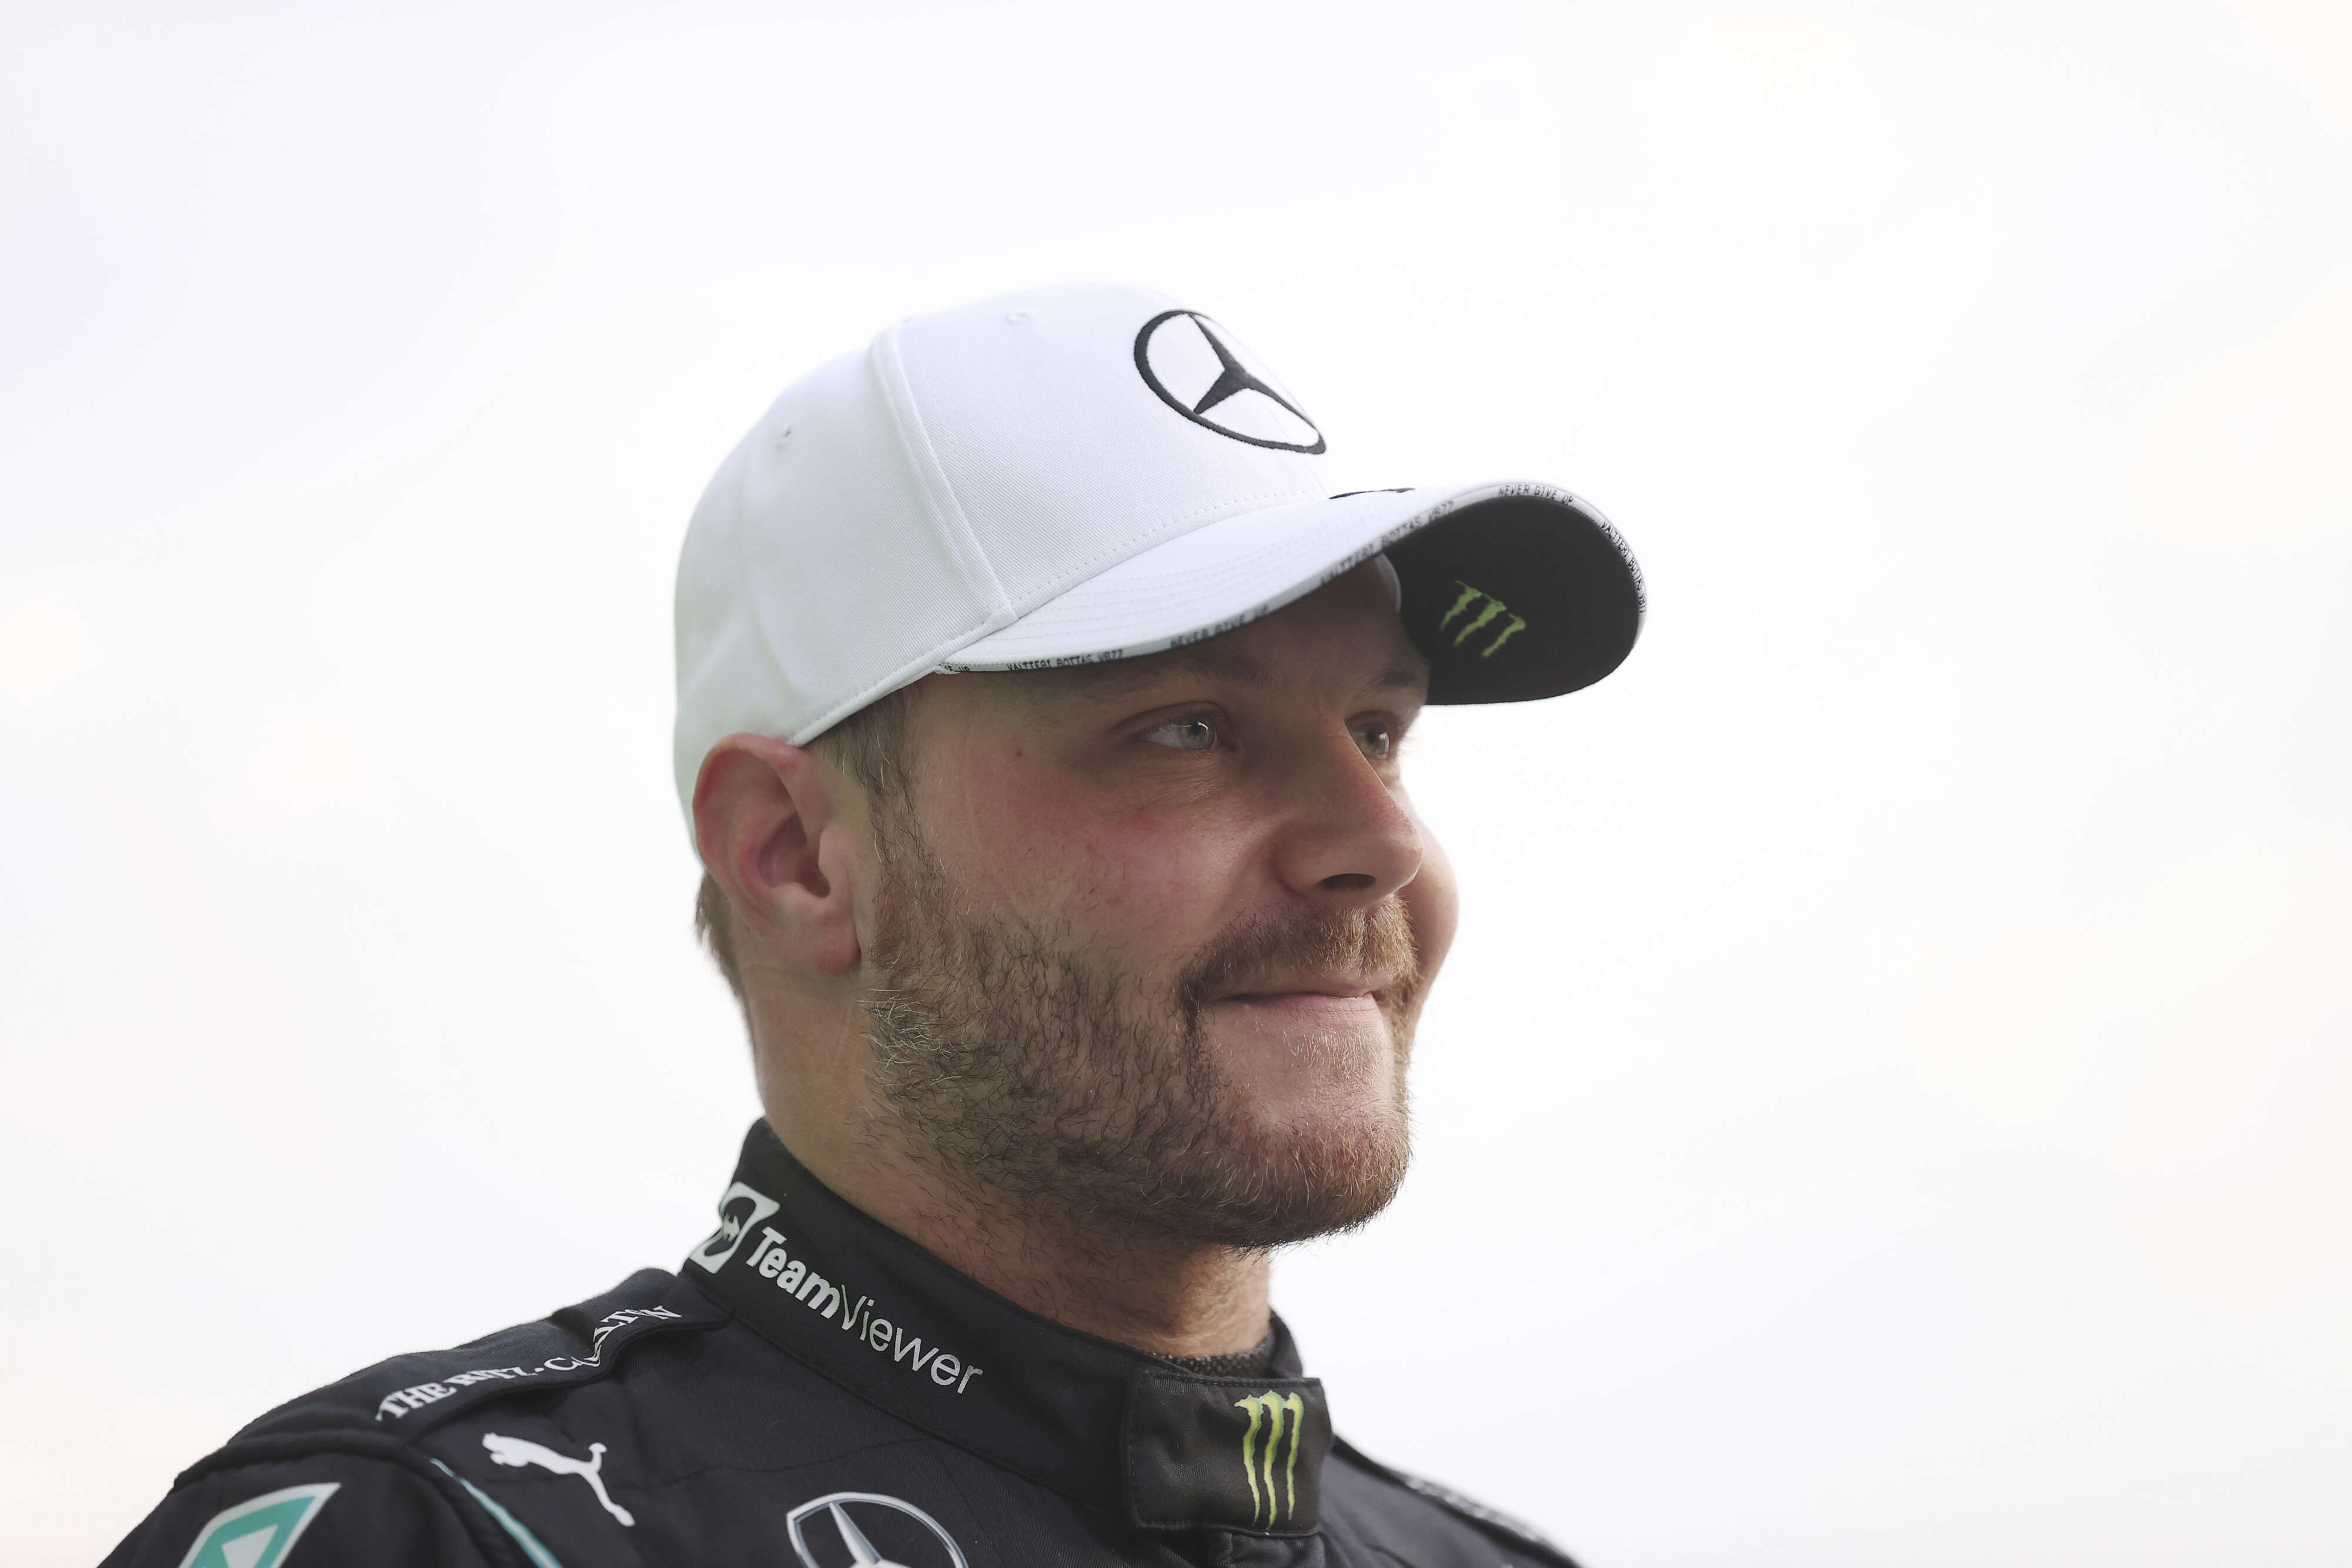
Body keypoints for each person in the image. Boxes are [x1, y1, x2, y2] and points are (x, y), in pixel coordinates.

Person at [103, 282, 1645, 1568]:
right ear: (795, 857)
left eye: (1378, 732)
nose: (1382, 843)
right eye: (1188, 730)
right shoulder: (433, 1535)